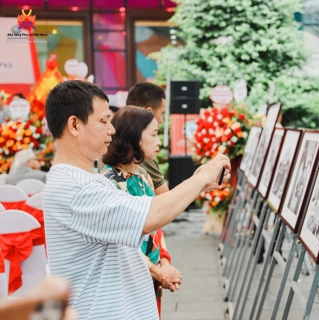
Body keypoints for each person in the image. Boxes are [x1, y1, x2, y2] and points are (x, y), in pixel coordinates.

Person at [43, 80, 230, 320]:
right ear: (74, 125)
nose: (111, 130)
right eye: (103, 121)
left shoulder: (87, 181)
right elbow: (151, 215)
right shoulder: (74, 189)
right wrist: (202, 177)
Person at [100, 106, 181, 318]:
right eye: (153, 135)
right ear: (133, 137)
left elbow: (156, 228)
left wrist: (165, 263)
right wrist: (159, 271)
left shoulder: (143, 174)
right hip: (129, 278)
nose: (159, 141)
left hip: (152, 275)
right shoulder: (110, 183)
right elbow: (122, 244)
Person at [126, 82, 169, 195]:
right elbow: (165, 199)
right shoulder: (138, 149)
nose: (161, 120)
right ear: (149, 112)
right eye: (162, 113)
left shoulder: (116, 137)